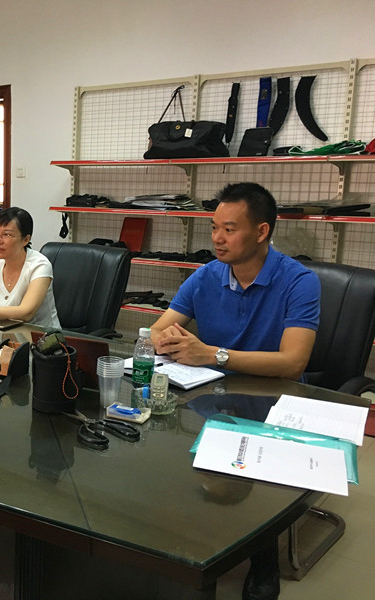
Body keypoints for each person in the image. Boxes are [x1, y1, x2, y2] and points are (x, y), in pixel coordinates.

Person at [150, 182, 321, 600]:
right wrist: (167, 341)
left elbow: (293, 363)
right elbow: (158, 330)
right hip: (212, 394)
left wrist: (213, 354)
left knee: (252, 476)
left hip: (274, 402)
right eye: (214, 228)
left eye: (229, 229)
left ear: (262, 231)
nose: (217, 239)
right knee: (161, 448)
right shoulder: (206, 276)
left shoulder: (299, 282)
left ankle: (263, 557)